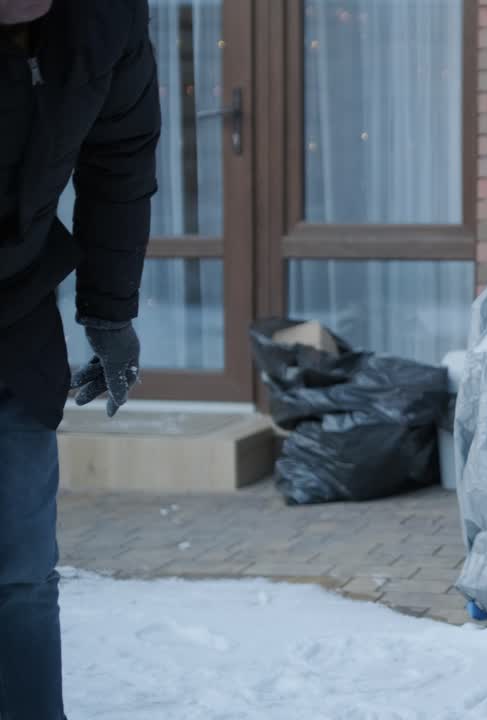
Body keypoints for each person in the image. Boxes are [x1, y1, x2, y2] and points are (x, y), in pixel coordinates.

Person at [0, 0, 160, 716]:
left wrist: (109, 312)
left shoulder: (105, 17)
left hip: (14, 309)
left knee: (22, 573)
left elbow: (119, 160)